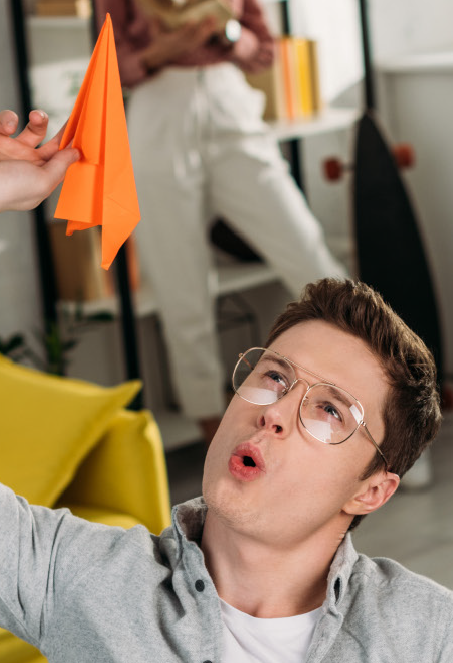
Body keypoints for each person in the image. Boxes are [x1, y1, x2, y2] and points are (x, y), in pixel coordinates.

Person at [0, 110, 453, 661]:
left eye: (329, 410)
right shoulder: (83, 582)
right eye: (274, 376)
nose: (276, 411)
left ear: (370, 488)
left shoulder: (427, 634)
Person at [99, 0, 349, 443]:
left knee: (311, 257)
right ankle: (216, 441)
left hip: (230, 103)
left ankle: (370, 405)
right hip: (158, 113)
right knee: (182, 288)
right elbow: (111, 67)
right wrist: (169, 47)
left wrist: (226, 32)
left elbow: (263, 53)